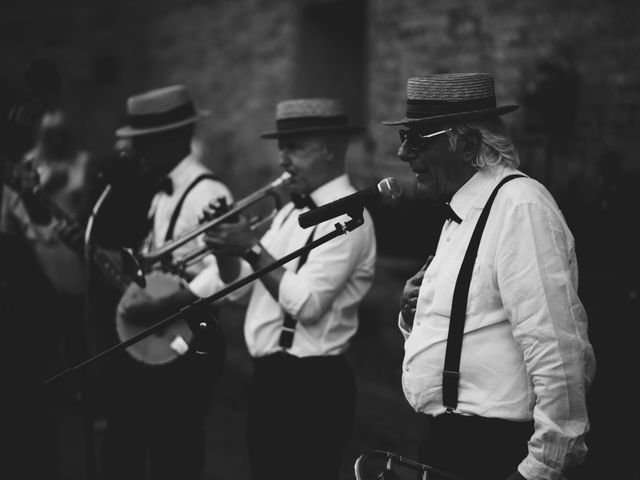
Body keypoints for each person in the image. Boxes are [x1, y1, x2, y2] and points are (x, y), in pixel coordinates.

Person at [386, 73, 595, 480]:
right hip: (449, 442)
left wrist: (541, 467)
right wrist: (415, 313)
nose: (403, 153)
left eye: (418, 138)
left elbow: (557, 349)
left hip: (493, 451)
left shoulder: (521, 207)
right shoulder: (461, 214)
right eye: (404, 137)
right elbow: (473, 329)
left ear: (466, 144)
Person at [202, 98, 377, 480]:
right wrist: (225, 251)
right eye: (282, 147)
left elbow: (308, 305)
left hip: (311, 384)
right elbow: (239, 292)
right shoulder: (286, 213)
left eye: (294, 147)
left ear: (329, 148)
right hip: (271, 379)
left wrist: (250, 247)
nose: (283, 159)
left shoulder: (350, 215)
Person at [98, 84, 232, 480]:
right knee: (137, 442)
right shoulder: (159, 192)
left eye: (145, 143)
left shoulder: (208, 192)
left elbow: (223, 271)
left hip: (192, 338)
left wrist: (168, 301)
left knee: (175, 453)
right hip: (162, 337)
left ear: (174, 139)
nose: (136, 153)